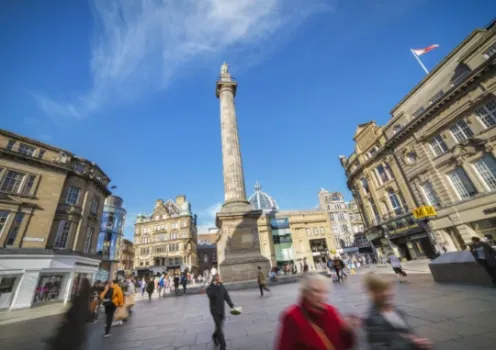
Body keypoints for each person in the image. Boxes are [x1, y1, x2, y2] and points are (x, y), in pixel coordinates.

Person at [275, 274, 357, 350]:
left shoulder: (331, 311)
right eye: (316, 291)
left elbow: (343, 345)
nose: (321, 296)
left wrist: (347, 331)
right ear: (305, 292)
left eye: (324, 291)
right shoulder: (292, 316)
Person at [364, 273, 432, 349]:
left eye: (388, 288)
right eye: (380, 290)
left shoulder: (394, 309)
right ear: (372, 293)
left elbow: (406, 332)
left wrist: (416, 341)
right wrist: (411, 342)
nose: (386, 293)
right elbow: (378, 346)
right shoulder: (372, 320)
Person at [49, 278, 91, 350]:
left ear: (83, 286)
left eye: (80, 285)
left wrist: (67, 317)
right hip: (76, 331)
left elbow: (77, 313)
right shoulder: (85, 297)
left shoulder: (81, 298)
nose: (78, 286)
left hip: (72, 331)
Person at [206, 274, 236, 350]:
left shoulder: (222, 287)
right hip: (214, 311)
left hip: (222, 310)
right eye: (218, 278)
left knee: (219, 327)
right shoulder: (210, 288)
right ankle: (223, 346)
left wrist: (232, 305)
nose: (220, 279)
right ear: (215, 279)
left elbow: (227, 296)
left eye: (220, 278)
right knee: (219, 328)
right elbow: (211, 295)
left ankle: (214, 336)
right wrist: (215, 285)